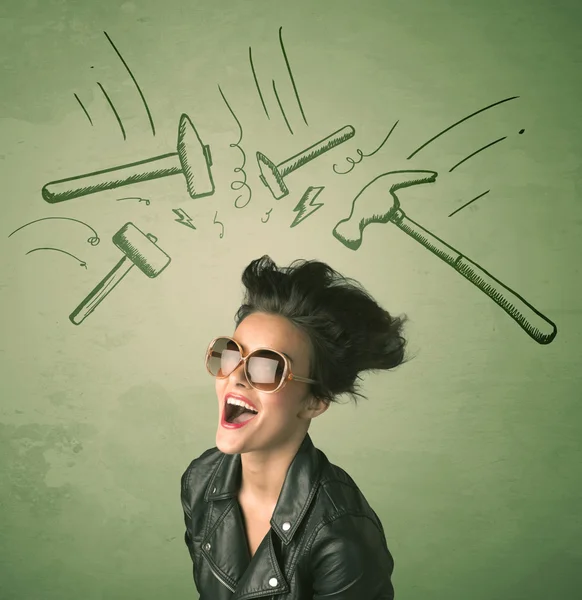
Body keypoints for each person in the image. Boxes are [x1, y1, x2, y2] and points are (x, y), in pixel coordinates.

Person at [180, 255, 408, 599]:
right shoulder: (200, 481)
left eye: (267, 368)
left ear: (314, 402)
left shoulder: (341, 535)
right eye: (231, 353)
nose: (236, 378)